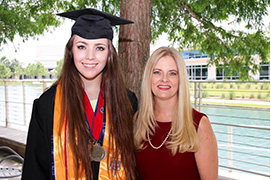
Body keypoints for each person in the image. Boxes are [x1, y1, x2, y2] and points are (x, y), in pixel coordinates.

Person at [22, 8, 138, 180]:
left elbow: (134, 166)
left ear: (109, 54)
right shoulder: (47, 106)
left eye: (99, 48)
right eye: (82, 46)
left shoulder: (128, 102)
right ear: (71, 51)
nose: (90, 56)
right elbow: (34, 171)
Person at [134, 47, 218, 180]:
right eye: (157, 72)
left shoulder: (199, 124)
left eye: (172, 73)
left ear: (181, 79)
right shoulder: (138, 120)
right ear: (148, 77)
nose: (164, 79)